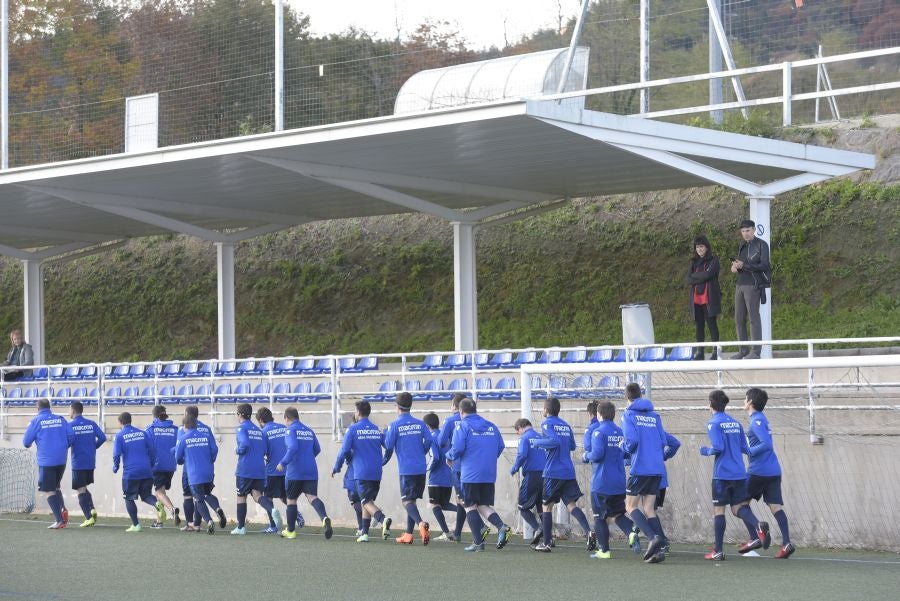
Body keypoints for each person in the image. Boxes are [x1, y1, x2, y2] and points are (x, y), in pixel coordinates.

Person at [699, 389, 770, 560]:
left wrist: (706, 451)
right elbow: (746, 448)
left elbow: (718, 447)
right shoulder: (736, 423)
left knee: (719, 511)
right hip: (739, 472)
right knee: (738, 507)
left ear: (710, 404)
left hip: (722, 474)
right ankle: (758, 525)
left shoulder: (713, 423)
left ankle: (718, 551)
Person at [531, 397, 594, 553]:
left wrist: (537, 442)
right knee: (571, 505)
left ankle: (546, 543)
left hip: (553, 472)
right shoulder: (565, 425)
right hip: (568, 471)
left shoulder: (546, 423)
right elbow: (572, 445)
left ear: (546, 410)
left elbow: (554, 441)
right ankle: (589, 532)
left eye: (543, 408)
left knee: (546, 506)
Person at [447, 398, 511, 553]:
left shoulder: (463, 426)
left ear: (461, 412)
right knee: (482, 505)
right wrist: (487, 458)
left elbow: (458, 448)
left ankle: (478, 543)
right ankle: (501, 526)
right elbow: (501, 446)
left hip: (470, 473)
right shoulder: (491, 426)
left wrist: (448, 456)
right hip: (489, 472)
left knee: (469, 506)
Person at [744, 387, 795, 558]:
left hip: (759, 471)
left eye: (745, 399)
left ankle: (755, 537)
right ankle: (786, 543)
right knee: (775, 507)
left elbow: (766, 444)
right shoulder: (762, 419)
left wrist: (749, 451)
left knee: (739, 504)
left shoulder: (756, 421)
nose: (744, 401)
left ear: (750, 402)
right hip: (773, 470)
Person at [621, 382, 668, 563]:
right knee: (649, 508)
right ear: (641, 395)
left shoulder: (628, 415)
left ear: (626, 397)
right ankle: (660, 548)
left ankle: (652, 537)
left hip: (640, 467)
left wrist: (622, 447)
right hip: (657, 468)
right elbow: (664, 441)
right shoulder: (655, 416)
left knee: (630, 506)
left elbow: (631, 442)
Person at [332, 400, 392, 543]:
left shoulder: (352, 429)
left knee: (365, 502)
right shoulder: (376, 429)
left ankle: (383, 519)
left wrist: (343, 463)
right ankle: (364, 533)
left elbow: (345, 450)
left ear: (358, 412)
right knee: (367, 501)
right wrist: (385, 460)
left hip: (361, 471)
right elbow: (389, 446)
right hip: (377, 472)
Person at [583, 401, 636, 559]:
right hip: (619, 482)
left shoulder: (598, 432)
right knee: (618, 514)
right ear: (613, 415)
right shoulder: (620, 431)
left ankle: (604, 551)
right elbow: (627, 454)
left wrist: (586, 456)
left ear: (599, 414)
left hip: (602, 483)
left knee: (599, 517)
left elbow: (597, 455)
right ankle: (631, 531)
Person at [275, 406, 333, 540]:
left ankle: (290, 531)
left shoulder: (290, 430)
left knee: (291, 500)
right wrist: (306, 457)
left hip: (296, 471)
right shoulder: (308, 430)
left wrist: (283, 462)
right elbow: (317, 449)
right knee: (312, 497)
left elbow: (293, 447)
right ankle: (324, 518)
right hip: (311, 470)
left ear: (286, 418)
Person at [382, 392, 431, 545]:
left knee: (406, 502)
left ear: (396, 406)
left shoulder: (394, 425)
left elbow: (388, 446)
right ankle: (409, 535)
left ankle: (421, 524)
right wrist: (421, 451)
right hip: (421, 468)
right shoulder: (420, 423)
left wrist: (383, 437)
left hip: (407, 469)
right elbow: (429, 439)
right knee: (412, 501)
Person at [231, 403, 281, 535]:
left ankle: (241, 527)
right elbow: (264, 450)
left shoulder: (241, 428)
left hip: (245, 469)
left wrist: (238, 449)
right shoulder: (259, 431)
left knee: (241, 496)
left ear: (240, 415)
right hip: (259, 469)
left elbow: (245, 444)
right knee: (257, 495)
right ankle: (272, 509)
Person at [23, 398, 73, 529]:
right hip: (61, 460)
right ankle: (62, 510)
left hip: (46, 461)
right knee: (56, 487)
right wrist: (62, 447)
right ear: (49, 407)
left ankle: (59, 521)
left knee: (49, 490)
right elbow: (72, 436)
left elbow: (26, 442)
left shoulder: (36, 421)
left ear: (37, 408)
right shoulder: (61, 419)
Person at [178, 405, 227, 530]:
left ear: (187, 415)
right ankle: (212, 512)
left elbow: (178, 453)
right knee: (206, 494)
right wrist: (209, 460)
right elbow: (214, 449)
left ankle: (192, 524)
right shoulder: (206, 429)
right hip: (207, 468)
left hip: (190, 469)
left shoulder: (183, 431)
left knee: (190, 496)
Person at [112, 412, 161, 532]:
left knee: (129, 498)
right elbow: (153, 450)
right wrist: (152, 464)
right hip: (146, 471)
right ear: (130, 420)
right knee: (146, 496)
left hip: (131, 473)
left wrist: (116, 466)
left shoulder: (119, 435)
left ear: (120, 422)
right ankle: (157, 504)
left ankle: (136, 525)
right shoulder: (143, 433)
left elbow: (116, 454)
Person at [256, 406, 302, 534]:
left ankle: (273, 525)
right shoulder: (284, 428)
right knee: (284, 496)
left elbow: (263, 452)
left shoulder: (264, 432)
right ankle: (296, 514)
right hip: (287, 469)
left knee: (268, 497)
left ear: (260, 420)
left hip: (272, 470)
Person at [730, 219, 770, 360]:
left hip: (753, 285)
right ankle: (743, 350)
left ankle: (755, 352)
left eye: (748, 230)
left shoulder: (762, 245)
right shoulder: (742, 245)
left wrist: (744, 265)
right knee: (739, 319)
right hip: (740, 284)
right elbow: (741, 265)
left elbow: (764, 265)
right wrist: (735, 267)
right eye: (743, 231)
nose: (745, 234)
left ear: (754, 230)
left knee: (754, 318)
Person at [438, 393, 471, 542]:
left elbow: (440, 440)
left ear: (455, 406)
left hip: (457, 463)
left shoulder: (451, 420)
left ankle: (482, 527)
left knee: (462, 499)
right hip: (472, 464)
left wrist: (448, 453)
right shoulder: (472, 420)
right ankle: (457, 532)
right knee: (464, 499)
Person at [68, 401, 106, 527]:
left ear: (73, 411)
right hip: (90, 461)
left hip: (78, 462)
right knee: (83, 487)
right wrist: (93, 447)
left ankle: (88, 517)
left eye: (69, 410)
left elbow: (67, 442)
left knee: (80, 490)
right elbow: (103, 438)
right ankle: (92, 509)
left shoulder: (71, 425)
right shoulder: (91, 423)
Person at [423, 411, 458, 542]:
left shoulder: (431, 438)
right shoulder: (446, 437)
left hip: (436, 478)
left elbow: (435, 457)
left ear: (426, 426)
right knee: (444, 504)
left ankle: (446, 532)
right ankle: (463, 510)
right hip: (448, 477)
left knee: (435, 505)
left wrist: (425, 469)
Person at [510, 418, 544, 545]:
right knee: (542, 506)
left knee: (522, 506)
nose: (518, 434)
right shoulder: (540, 437)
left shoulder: (524, 438)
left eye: (517, 431)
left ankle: (538, 528)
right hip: (545, 475)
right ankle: (548, 538)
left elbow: (522, 455)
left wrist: (514, 469)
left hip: (532, 475)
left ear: (520, 427)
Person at [688, 235, 722, 360]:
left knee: (712, 325)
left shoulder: (714, 260)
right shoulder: (693, 262)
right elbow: (688, 279)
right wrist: (701, 276)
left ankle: (715, 352)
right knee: (699, 326)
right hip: (696, 299)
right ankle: (700, 352)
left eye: (701, 246)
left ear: (707, 247)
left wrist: (696, 275)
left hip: (709, 298)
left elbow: (709, 274)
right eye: (697, 247)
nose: (699, 249)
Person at [145, 405, 180, 528]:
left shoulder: (150, 429)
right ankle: (159, 521)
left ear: (154, 415)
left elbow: (147, 448)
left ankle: (172, 509)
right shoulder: (176, 429)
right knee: (161, 492)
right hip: (171, 464)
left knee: (159, 492)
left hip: (157, 464)